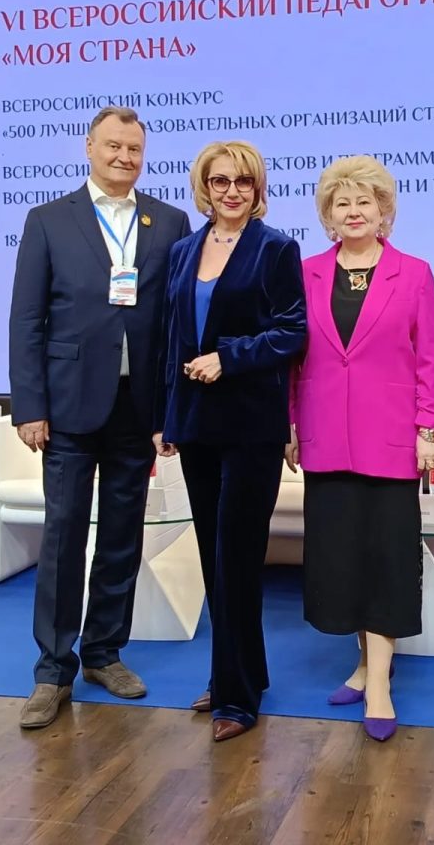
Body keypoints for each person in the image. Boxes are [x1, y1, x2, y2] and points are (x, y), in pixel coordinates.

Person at [9, 106, 192, 729]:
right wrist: (30, 406)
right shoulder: (47, 220)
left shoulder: (169, 221)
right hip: (66, 409)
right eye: (113, 145)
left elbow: (173, 325)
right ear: (89, 147)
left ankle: (104, 653)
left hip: (136, 410)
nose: (123, 157)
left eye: (134, 149)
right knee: (63, 537)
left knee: (121, 536)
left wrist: (168, 411)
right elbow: (26, 320)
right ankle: (52, 671)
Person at [286, 155, 434, 742]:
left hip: (392, 441)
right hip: (326, 438)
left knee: (385, 563)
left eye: (365, 202)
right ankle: (363, 663)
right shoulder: (304, 273)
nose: (354, 212)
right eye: (342, 203)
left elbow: (431, 358)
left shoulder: (415, 274)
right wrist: (290, 424)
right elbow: (293, 360)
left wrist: (430, 430)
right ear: (328, 215)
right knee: (345, 562)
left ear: (384, 212)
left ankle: (378, 683)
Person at [154, 139, 306, 742]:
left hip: (250, 426)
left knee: (237, 560)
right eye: (221, 181)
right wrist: (167, 417)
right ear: (205, 187)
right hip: (196, 424)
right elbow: (172, 337)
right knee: (214, 559)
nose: (232, 191)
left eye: (243, 181)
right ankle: (238, 674)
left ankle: (237, 698)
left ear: (257, 187)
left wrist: (229, 357)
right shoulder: (182, 250)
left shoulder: (276, 248)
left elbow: (293, 332)